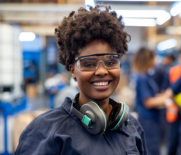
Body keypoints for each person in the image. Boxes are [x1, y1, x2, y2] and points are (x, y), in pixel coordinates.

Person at [15, 6, 147, 155]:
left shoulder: (131, 127)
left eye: (110, 62)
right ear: (73, 70)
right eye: (89, 64)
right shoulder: (45, 131)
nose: (102, 71)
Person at [132, 47, 168, 155]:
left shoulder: (147, 76)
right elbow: (148, 102)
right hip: (148, 121)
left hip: (152, 119)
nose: (156, 61)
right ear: (148, 60)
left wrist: (162, 96)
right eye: (154, 58)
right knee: (150, 149)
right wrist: (166, 98)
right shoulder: (142, 78)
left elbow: (152, 95)